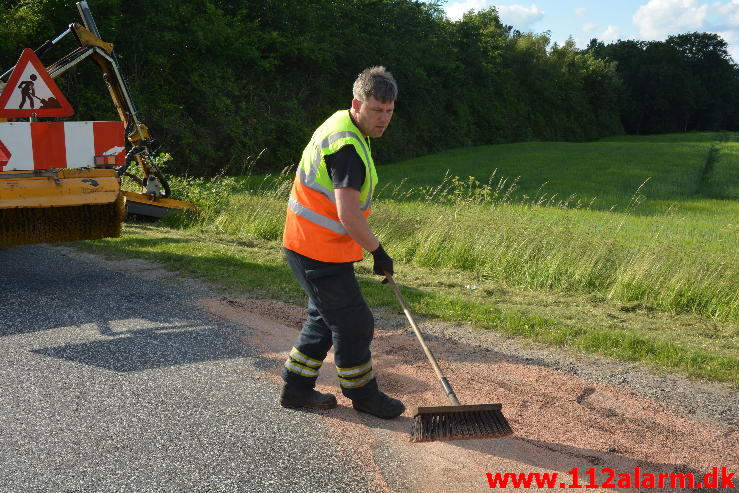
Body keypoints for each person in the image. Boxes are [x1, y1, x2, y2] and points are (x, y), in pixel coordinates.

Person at [280, 66, 404, 419]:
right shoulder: (347, 146)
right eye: (376, 110)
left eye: (389, 111)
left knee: (324, 318)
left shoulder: (344, 124)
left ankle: (295, 388)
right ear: (357, 104)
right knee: (354, 322)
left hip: (312, 243)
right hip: (316, 249)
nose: (383, 119)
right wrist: (378, 251)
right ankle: (362, 393)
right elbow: (348, 214)